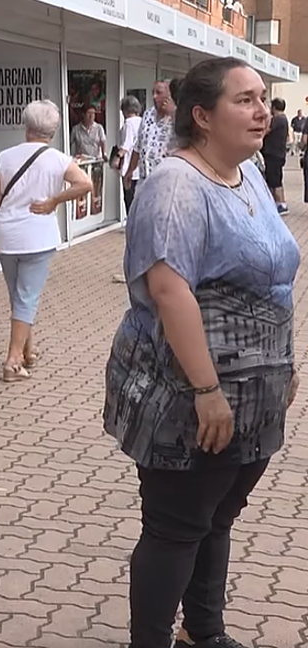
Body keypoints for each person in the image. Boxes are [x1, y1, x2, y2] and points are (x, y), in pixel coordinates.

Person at [103, 57, 300, 648]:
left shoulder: (247, 179)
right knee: (176, 527)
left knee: (217, 518)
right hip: (188, 397)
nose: (262, 110)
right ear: (201, 116)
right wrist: (209, 391)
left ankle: (205, 632)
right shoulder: (175, 182)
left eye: (263, 98)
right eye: (244, 100)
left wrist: (284, 366)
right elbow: (168, 288)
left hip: (255, 399)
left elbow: (276, 282)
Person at [0, 100, 92, 382]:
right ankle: (13, 361)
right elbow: (85, 184)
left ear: (26, 126)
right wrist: (55, 200)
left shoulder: (5, 157)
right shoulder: (58, 159)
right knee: (27, 297)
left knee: (18, 296)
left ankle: (28, 349)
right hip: (38, 235)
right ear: (53, 130)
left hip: (6, 234)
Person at [126, 79, 178, 188]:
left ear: (169, 95)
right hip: (144, 179)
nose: (154, 97)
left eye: (158, 93)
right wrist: (130, 170)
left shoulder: (177, 116)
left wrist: (173, 113)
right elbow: (138, 146)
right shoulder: (148, 114)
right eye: (153, 93)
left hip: (166, 181)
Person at [260, 97, 289, 214]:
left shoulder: (278, 119)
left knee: (274, 180)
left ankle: (280, 204)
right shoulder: (284, 119)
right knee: (276, 179)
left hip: (273, 154)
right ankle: (279, 203)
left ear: (274, 107)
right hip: (278, 153)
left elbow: (266, 130)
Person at [118, 96, 143, 214]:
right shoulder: (142, 122)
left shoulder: (128, 123)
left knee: (129, 200)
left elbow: (126, 145)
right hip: (141, 167)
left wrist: (117, 157)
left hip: (129, 167)